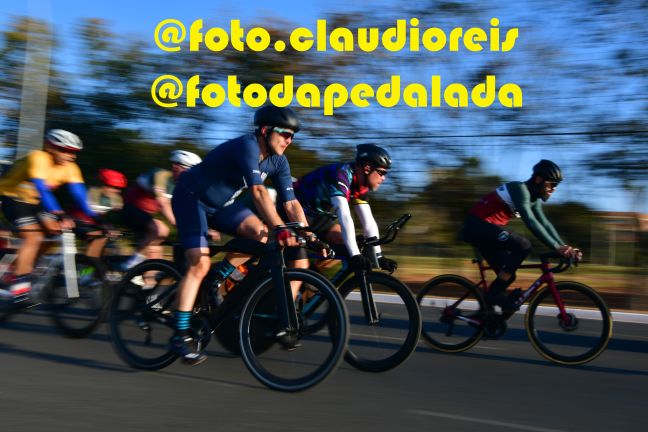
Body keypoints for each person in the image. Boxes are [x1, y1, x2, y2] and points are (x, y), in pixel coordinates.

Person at [170, 105, 311, 364]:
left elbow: (291, 204)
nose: (289, 140)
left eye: (293, 136)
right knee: (198, 264)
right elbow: (258, 194)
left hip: (222, 205)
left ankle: (218, 277)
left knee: (260, 234)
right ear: (266, 130)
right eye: (285, 134)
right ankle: (180, 335)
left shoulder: (279, 161)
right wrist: (281, 227)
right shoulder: (247, 146)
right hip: (191, 198)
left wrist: (306, 232)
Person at [460, 159, 582, 313]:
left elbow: (544, 224)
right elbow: (530, 221)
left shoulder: (534, 199)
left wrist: (565, 247)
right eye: (552, 184)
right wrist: (557, 247)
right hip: (476, 225)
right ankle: (493, 296)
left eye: (556, 186)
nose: (553, 189)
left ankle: (486, 314)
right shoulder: (520, 189)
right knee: (523, 245)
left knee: (507, 275)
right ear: (539, 179)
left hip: (487, 231)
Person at [0, 129, 102, 301]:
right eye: (65, 150)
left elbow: (80, 196)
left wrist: (97, 218)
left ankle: (26, 265)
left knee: (56, 231)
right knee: (34, 237)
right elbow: (42, 189)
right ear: (50, 148)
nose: (71, 156)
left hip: (35, 202)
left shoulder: (71, 168)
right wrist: (59, 213)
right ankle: (19, 282)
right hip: (11, 197)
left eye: (74, 152)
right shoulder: (38, 157)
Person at [291, 143, 398, 274]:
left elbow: (368, 222)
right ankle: (306, 278)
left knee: (350, 242)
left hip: (318, 216)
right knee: (302, 262)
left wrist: (379, 256)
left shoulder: (360, 185)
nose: (384, 178)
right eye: (381, 172)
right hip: (295, 212)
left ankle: (315, 282)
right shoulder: (341, 175)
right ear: (367, 168)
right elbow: (344, 215)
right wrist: (355, 255)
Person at [120, 150, 201, 269]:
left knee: (156, 249)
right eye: (189, 170)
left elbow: (188, 208)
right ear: (176, 167)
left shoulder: (180, 185)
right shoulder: (160, 175)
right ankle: (131, 264)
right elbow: (163, 203)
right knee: (161, 230)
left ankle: (149, 280)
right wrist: (179, 225)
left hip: (146, 215)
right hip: (129, 208)